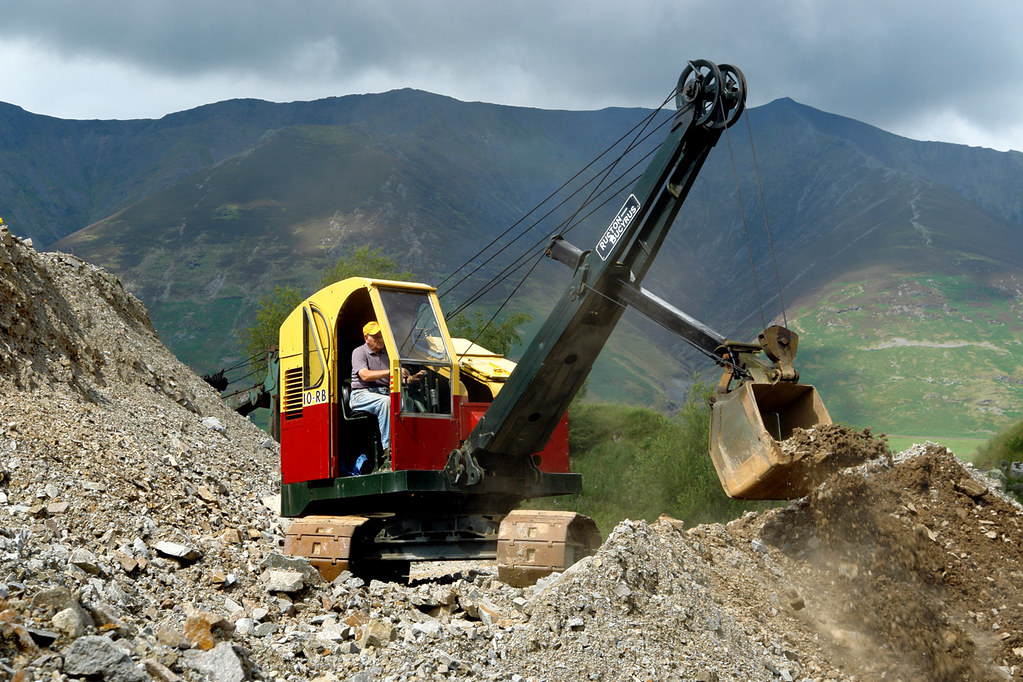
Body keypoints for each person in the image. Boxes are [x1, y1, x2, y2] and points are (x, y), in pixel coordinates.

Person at [350, 321, 393, 454]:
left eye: (381, 336)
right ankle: (389, 449)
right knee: (386, 402)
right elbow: (365, 375)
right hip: (361, 394)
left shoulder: (388, 354)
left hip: (385, 392)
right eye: (376, 337)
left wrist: (410, 379)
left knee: (407, 403)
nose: (380, 340)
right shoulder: (359, 352)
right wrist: (391, 372)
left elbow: (393, 376)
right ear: (366, 338)